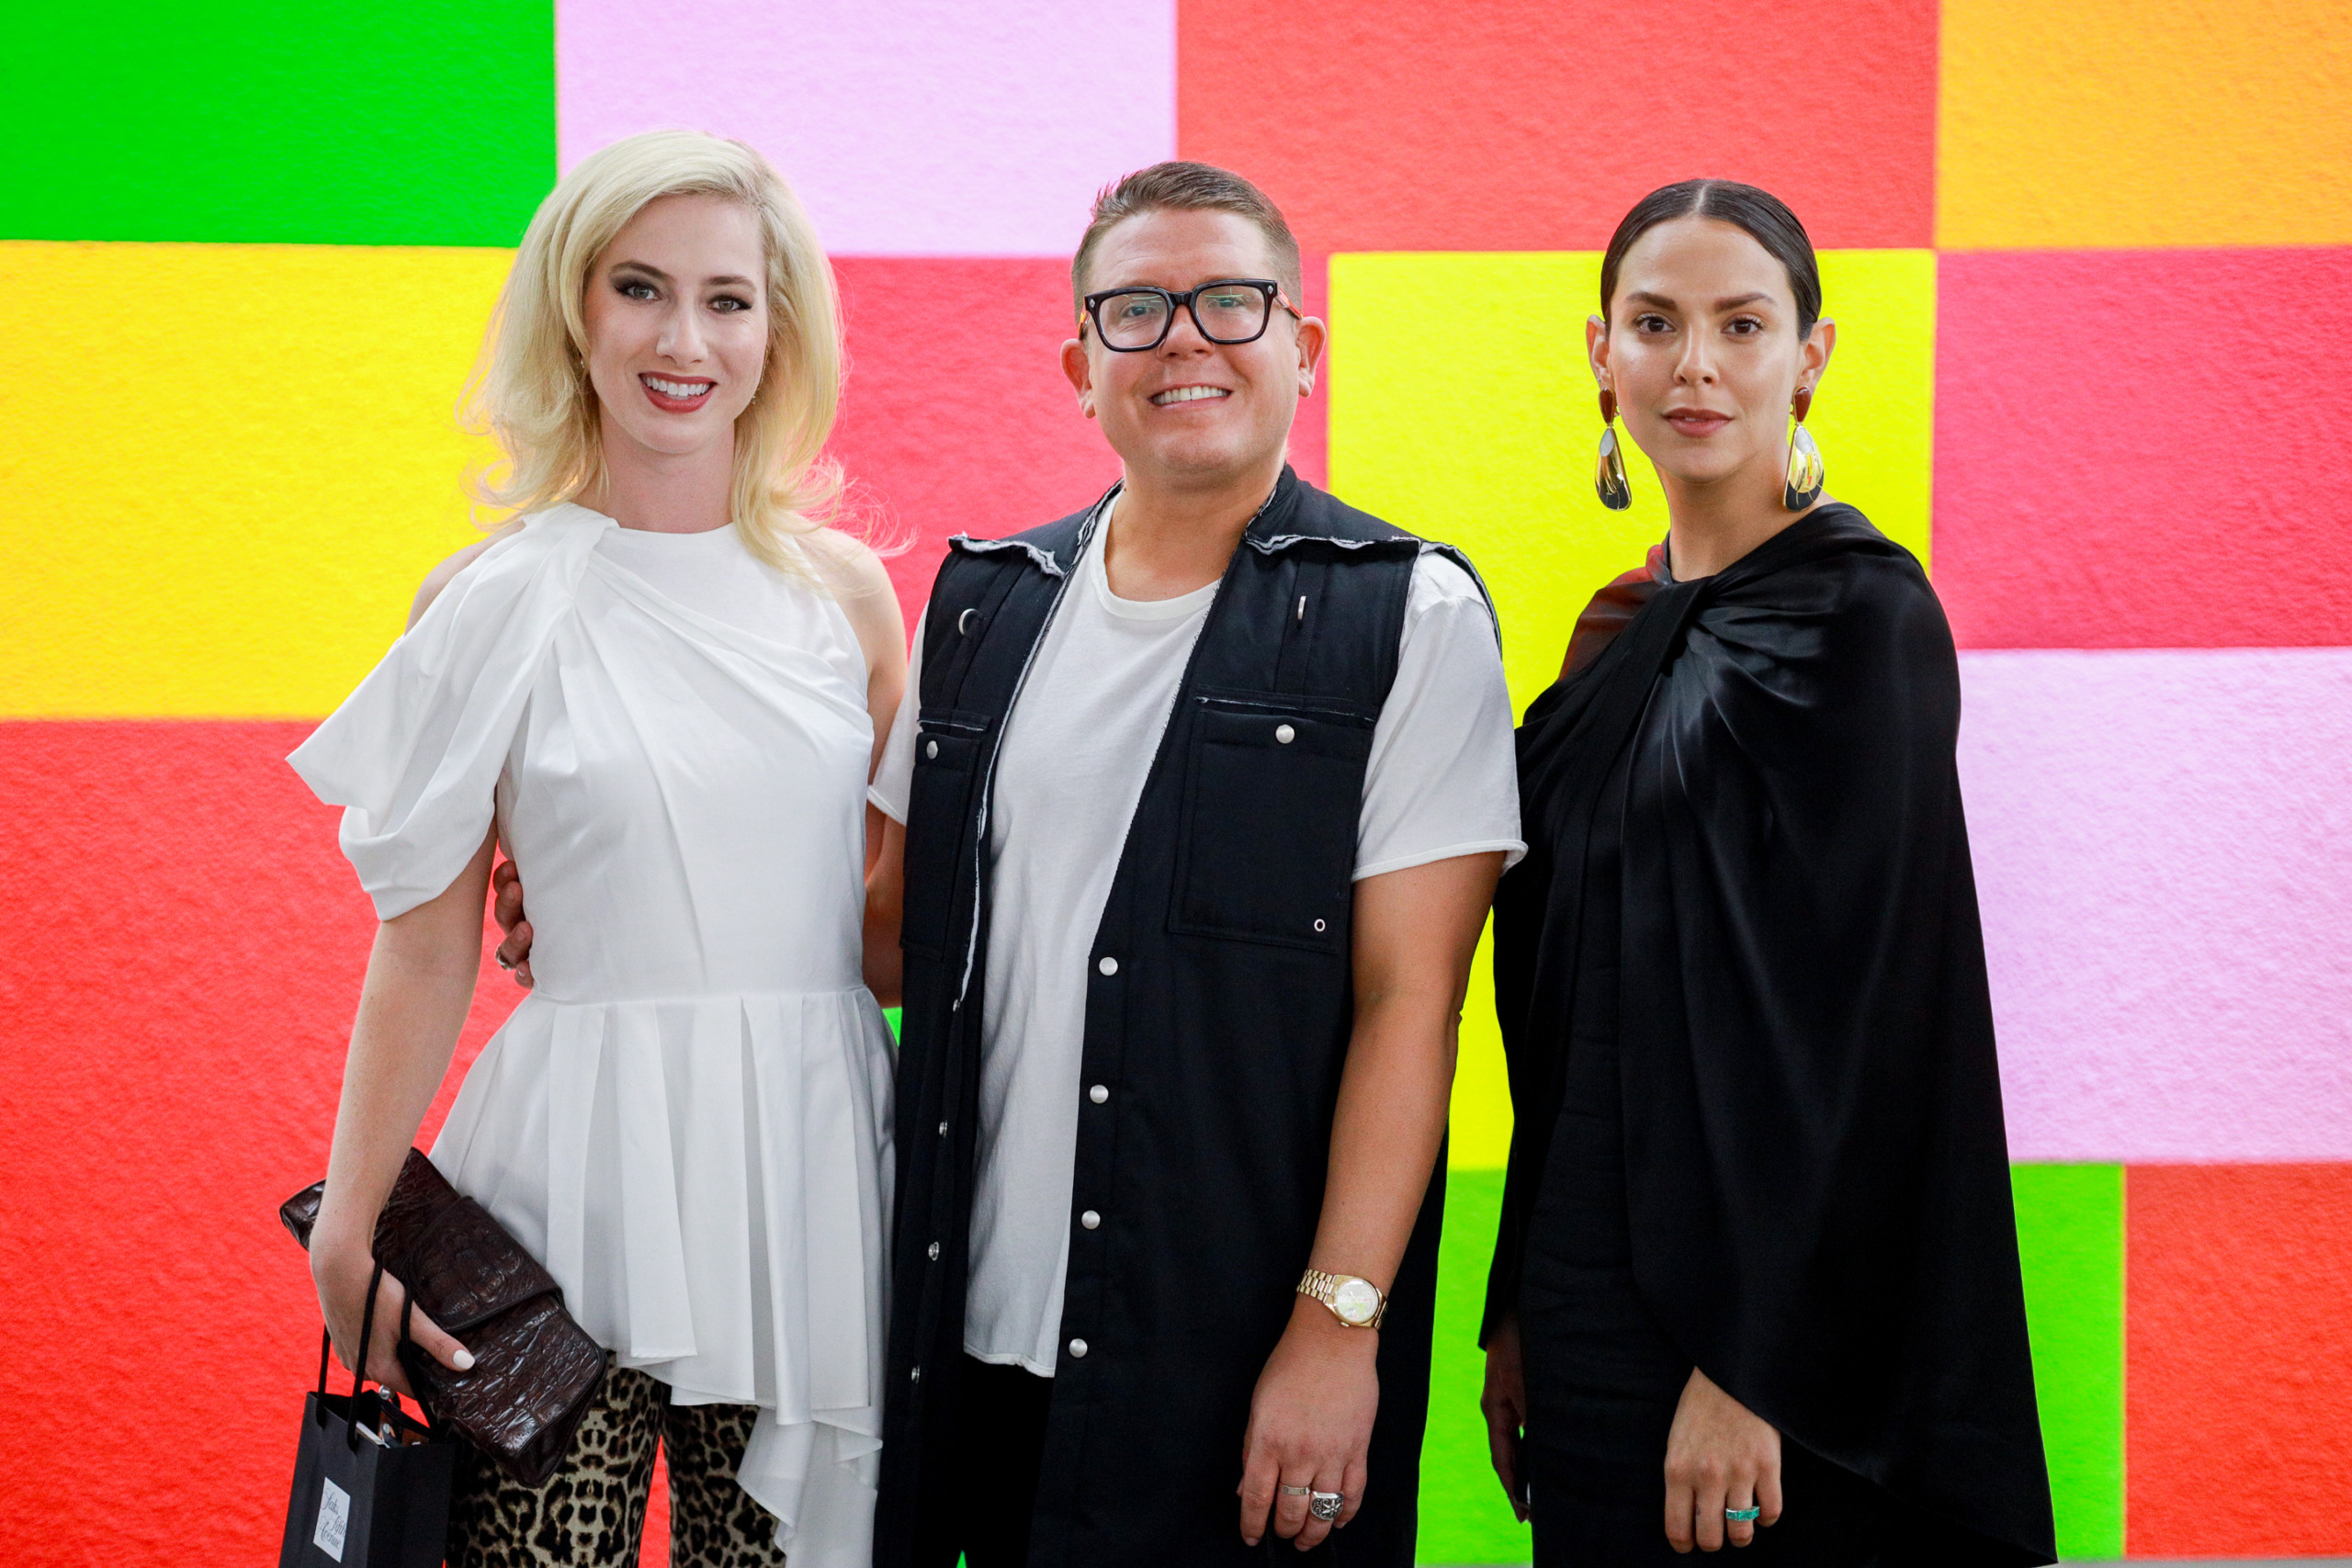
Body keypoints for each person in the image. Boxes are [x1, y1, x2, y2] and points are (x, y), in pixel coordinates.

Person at [290, 129, 906, 1568]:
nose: (684, 338)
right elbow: (429, 939)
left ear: (779, 328)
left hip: (806, 1172)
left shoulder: (851, 599)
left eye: (728, 298)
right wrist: (351, 1220)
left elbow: (891, 920)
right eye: (640, 288)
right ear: (576, 307)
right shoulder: (493, 596)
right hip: (565, 1180)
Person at [1477, 179, 2056, 1565]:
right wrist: (1514, 1302)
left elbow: (1864, 1026)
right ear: (1599, 354)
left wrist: (1754, 1371)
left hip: (1771, 1334)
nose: (1694, 366)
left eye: (1741, 325)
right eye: (1655, 323)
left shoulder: (1867, 614)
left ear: (1811, 355)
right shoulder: (1609, 634)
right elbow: (1562, 998)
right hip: (1583, 1292)